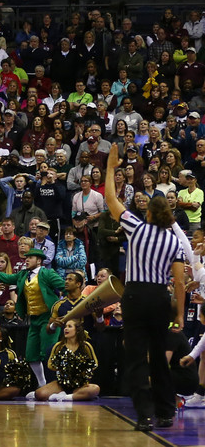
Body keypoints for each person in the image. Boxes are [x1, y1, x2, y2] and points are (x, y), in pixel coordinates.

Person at [104, 143, 188, 431]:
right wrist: (180, 314)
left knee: (137, 358)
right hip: (160, 298)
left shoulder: (136, 227)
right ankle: (165, 413)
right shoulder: (174, 241)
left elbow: (110, 199)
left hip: (136, 296)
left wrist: (110, 168)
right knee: (159, 357)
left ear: (149, 213)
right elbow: (179, 281)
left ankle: (145, 416)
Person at [0, 247, 64, 389]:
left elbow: (64, 286)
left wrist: (61, 307)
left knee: (48, 352)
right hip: (33, 318)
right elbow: (7, 278)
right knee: (31, 354)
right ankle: (42, 384)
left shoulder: (47, 273)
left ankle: (54, 385)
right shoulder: (23, 275)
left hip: (48, 318)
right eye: (26, 258)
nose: (26, 260)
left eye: (30, 258)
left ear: (39, 261)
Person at [34, 319, 101, 401]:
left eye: (70, 326)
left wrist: (80, 370)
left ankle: (66, 397)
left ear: (77, 330)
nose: (66, 329)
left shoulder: (85, 346)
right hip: (62, 384)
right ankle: (73, 395)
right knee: (39, 394)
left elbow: (95, 363)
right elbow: (50, 364)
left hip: (80, 384)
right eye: (65, 326)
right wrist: (64, 368)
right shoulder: (59, 346)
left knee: (95, 389)